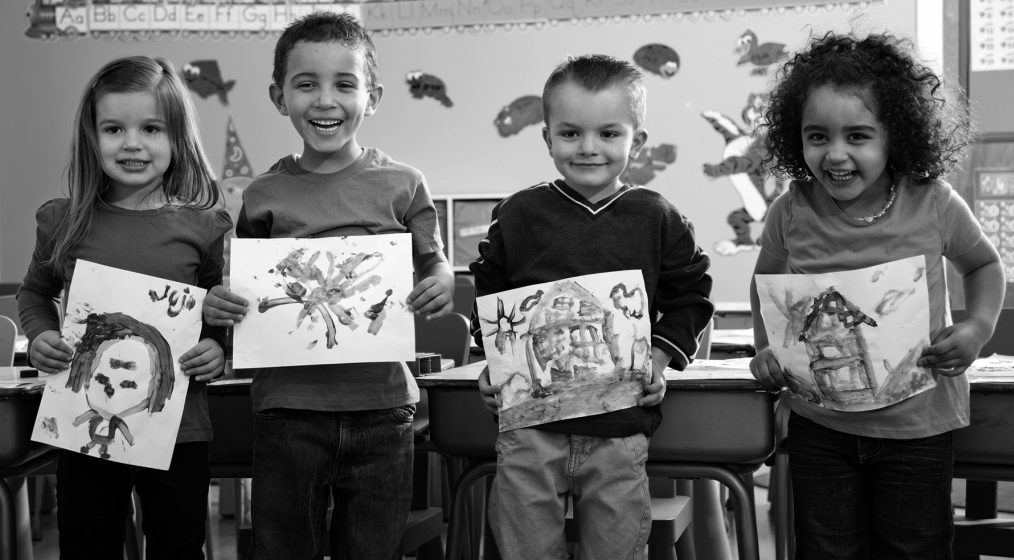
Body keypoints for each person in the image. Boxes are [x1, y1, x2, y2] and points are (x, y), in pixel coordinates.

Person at [201, 11, 454, 560]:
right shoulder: (264, 195)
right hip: (285, 413)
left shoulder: (404, 185)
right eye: (306, 83)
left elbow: (435, 265)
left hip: (383, 410)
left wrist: (440, 284)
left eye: (345, 84)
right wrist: (225, 303)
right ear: (278, 96)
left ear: (374, 96)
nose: (325, 100)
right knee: (284, 548)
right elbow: (242, 288)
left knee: (371, 549)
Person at [750, 32, 1005, 559]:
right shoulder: (790, 212)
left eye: (858, 136)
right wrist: (767, 349)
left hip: (919, 429)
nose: (835, 154)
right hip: (821, 429)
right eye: (817, 136)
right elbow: (766, 287)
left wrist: (977, 328)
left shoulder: (932, 202)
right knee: (827, 550)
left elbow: (982, 264)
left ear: (897, 137)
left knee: (915, 548)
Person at [473, 54, 714, 559]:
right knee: (525, 546)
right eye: (570, 134)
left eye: (608, 134)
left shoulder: (657, 217)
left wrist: (661, 357)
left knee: (617, 546)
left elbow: (692, 295)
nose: (587, 149)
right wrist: (493, 365)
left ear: (637, 141)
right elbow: (489, 295)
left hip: (620, 427)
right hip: (530, 429)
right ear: (547, 138)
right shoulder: (518, 214)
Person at [17, 55, 231, 560]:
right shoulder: (61, 220)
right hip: (82, 425)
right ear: (91, 138)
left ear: (177, 139)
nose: (132, 143)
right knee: (88, 545)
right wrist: (42, 333)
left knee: (177, 547)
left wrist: (216, 348)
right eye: (114, 128)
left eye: (151, 129)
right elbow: (33, 292)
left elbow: (218, 310)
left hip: (180, 430)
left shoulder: (205, 226)